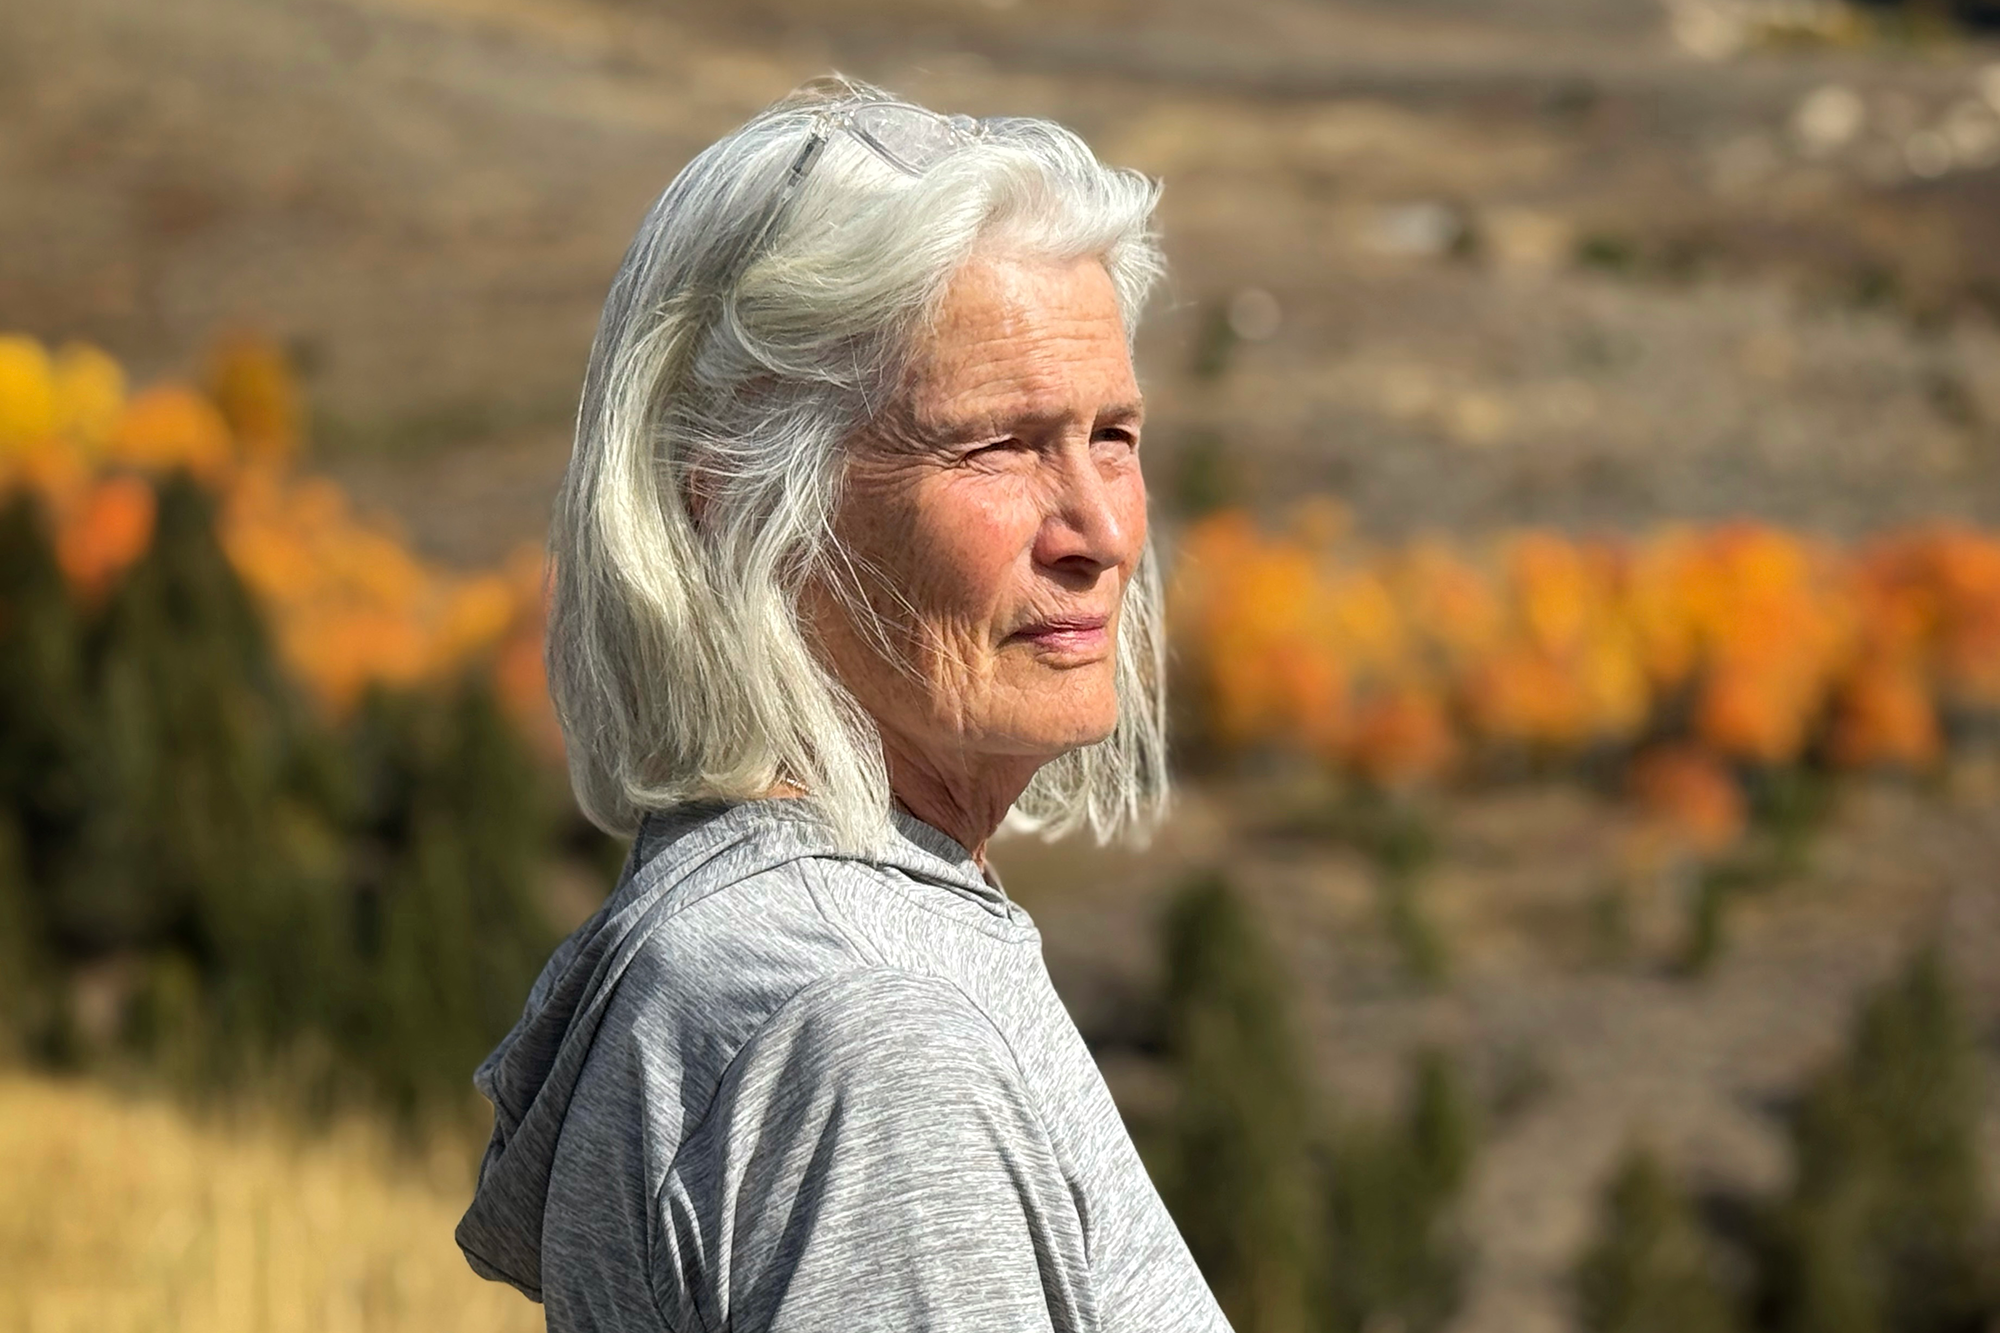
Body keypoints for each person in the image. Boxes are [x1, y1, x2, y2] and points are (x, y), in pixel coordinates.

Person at [456, 78, 1233, 1333]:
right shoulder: (865, 1041)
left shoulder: (792, 945)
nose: (1097, 528)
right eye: (996, 445)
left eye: (1113, 434)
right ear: (744, 506)